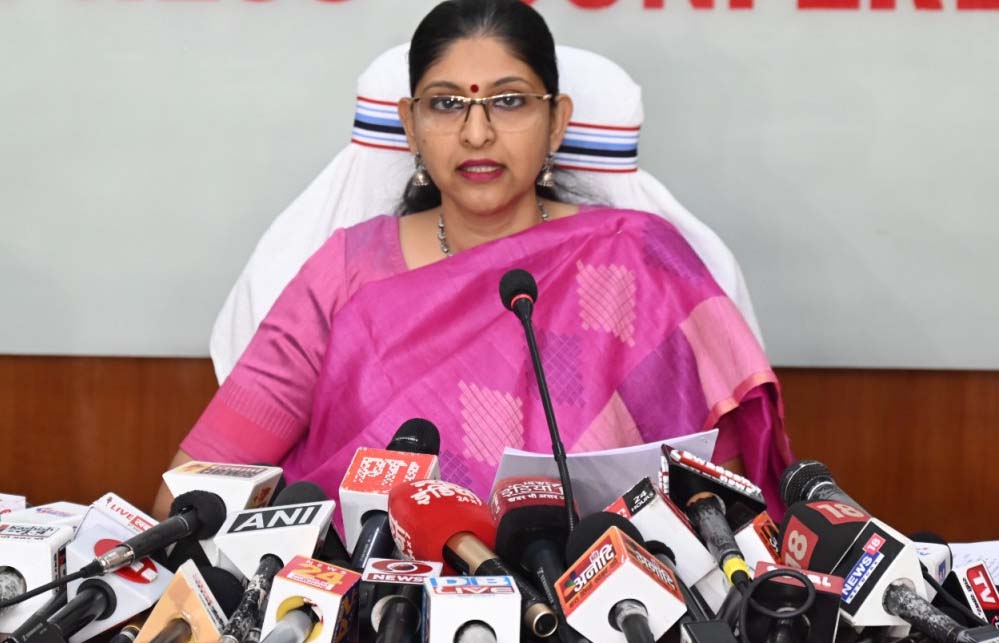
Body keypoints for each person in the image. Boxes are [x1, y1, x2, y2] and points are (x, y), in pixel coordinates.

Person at [153, 0, 792, 521]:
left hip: (595, 597)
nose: (477, 133)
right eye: (446, 103)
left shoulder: (637, 262)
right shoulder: (346, 271)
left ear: (557, 121)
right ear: (410, 125)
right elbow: (191, 490)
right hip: (371, 597)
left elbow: (722, 504)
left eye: (509, 101)